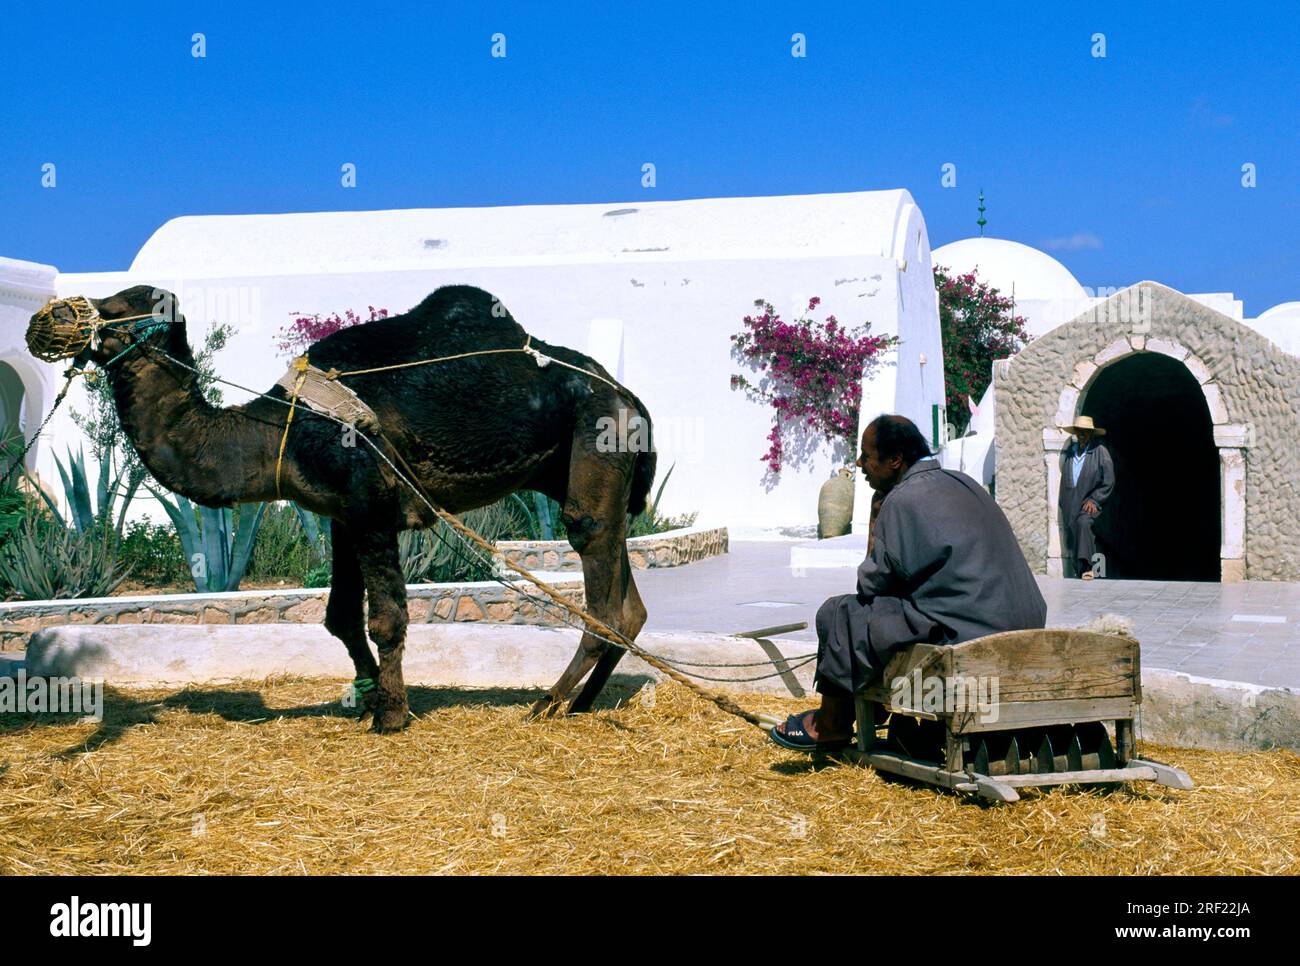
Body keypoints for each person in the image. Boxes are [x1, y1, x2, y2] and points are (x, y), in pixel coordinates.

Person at [772, 414, 1048, 752]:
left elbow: (870, 587)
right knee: (884, 615)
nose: (860, 464)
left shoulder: (901, 500)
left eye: (867, 456)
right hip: (1024, 622)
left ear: (895, 461)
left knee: (838, 612)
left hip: (967, 634)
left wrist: (876, 522)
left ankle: (831, 725)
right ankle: (870, 714)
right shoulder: (964, 481)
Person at [1057, 415, 1114, 580]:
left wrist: (1095, 499)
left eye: (1085, 432)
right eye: (1078, 431)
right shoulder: (1070, 453)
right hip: (1070, 501)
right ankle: (1078, 568)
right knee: (1073, 530)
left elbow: (1109, 480)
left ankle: (1087, 567)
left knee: (1084, 523)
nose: (1081, 434)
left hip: (1090, 502)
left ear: (1091, 433)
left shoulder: (1100, 452)